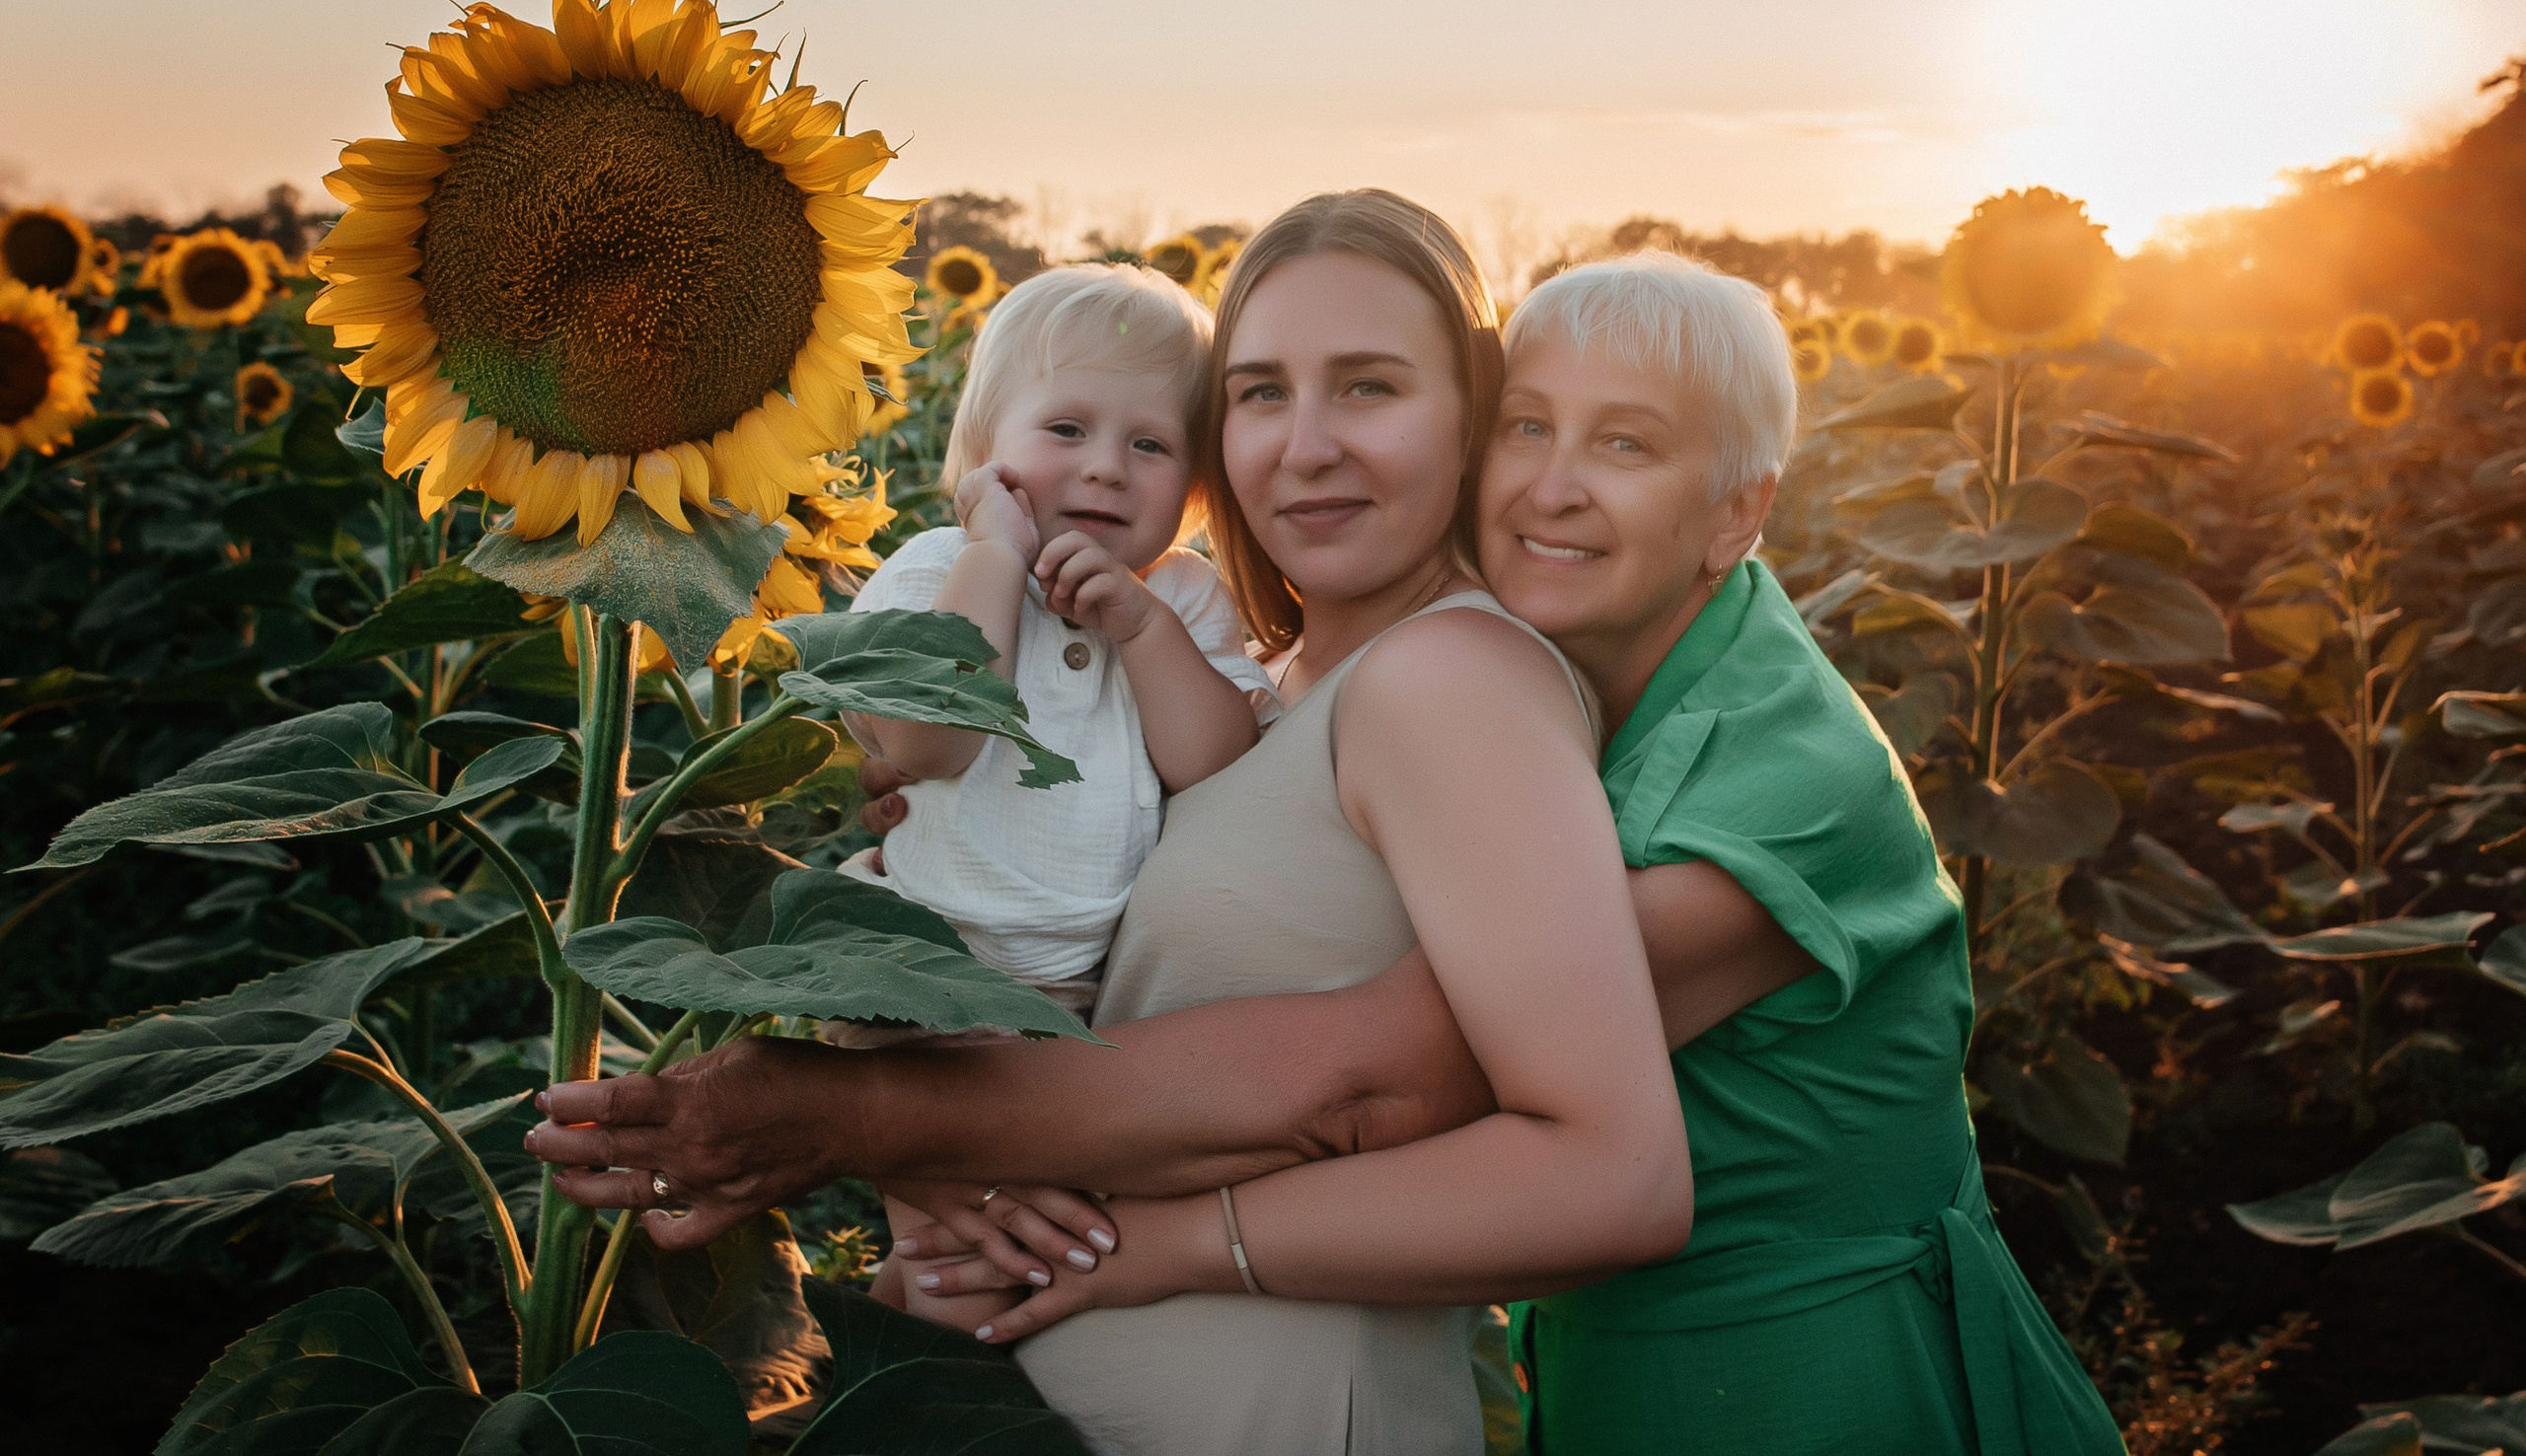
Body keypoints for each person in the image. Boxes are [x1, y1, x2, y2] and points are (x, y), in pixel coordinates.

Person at [531, 244, 2121, 1454]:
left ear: (1738, 510)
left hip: (1807, 1372)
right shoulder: (1282, 676)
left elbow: (1382, 1073)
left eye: (1627, 447)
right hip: (1581, 1358)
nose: (1554, 487)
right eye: (1260, 394)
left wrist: (875, 1119)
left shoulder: (1762, 777)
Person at [829, 262, 1278, 1334]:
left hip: (1096, 1011)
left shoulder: (1179, 599)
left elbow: (1214, 766)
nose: (1107, 470)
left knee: (1036, 1256)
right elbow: (928, 739)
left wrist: (1143, 631)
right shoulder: (933, 570)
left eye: (1151, 444)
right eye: (1066, 429)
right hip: (919, 989)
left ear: (1197, 486)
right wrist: (994, 552)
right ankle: (890, 1385)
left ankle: (901, 1366)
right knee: (957, 1256)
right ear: (985, 456)